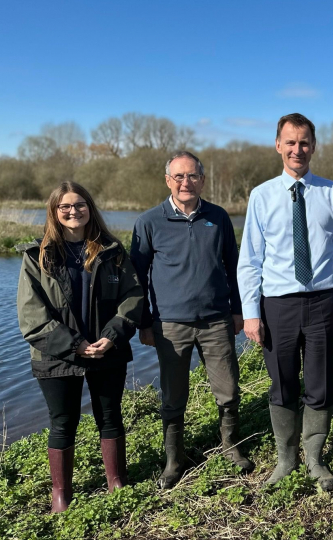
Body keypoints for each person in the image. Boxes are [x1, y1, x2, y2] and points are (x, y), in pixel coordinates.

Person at [238, 113, 333, 491]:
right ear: (278, 146)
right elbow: (250, 261)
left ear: (313, 146)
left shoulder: (332, 193)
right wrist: (251, 314)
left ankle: (315, 459)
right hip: (278, 306)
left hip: (324, 301)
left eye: (304, 142)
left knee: (321, 384)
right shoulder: (261, 196)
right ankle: (286, 459)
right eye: (290, 142)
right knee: (282, 383)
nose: (297, 149)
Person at [17, 181, 144, 513]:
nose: (73, 211)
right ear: (55, 213)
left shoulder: (112, 252)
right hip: (57, 354)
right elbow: (32, 316)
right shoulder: (37, 256)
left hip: (107, 351)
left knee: (110, 416)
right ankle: (62, 494)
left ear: (90, 208)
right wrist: (75, 345)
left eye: (80, 205)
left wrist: (114, 334)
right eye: (65, 207)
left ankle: (116, 482)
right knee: (63, 421)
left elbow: (134, 297)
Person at [130, 151, 253, 489]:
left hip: (216, 320)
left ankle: (231, 446)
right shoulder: (149, 222)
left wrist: (239, 309)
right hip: (170, 325)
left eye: (193, 176)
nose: (186, 182)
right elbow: (137, 277)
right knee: (173, 396)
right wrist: (144, 323)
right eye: (179, 177)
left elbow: (234, 265)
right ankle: (175, 459)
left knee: (228, 390)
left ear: (202, 179)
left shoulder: (219, 217)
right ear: (168, 180)